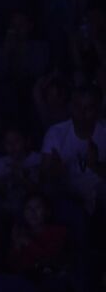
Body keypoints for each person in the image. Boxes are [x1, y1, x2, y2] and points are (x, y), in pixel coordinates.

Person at [41, 84, 106, 214]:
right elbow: (44, 177)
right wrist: (56, 170)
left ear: (97, 110)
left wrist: (95, 165)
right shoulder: (56, 133)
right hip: (68, 193)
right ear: (71, 107)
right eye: (77, 107)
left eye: (88, 108)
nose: (81, 113)